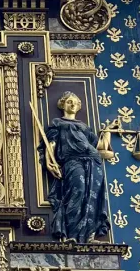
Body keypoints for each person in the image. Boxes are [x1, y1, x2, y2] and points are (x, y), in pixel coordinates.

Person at [38, 92, 112, 243]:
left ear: (79, 107)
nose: (72, 105)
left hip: (93, 160)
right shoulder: (58, 123)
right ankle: (72, 235)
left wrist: (108, 131)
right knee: (76, 193)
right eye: (69, 102)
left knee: (92, 197)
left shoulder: (84, 126)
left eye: (75, 103)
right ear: (62, 104)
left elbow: (101, 146)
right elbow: (51, 144)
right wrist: (49, 161)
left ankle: (89, 236)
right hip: (72, 161)